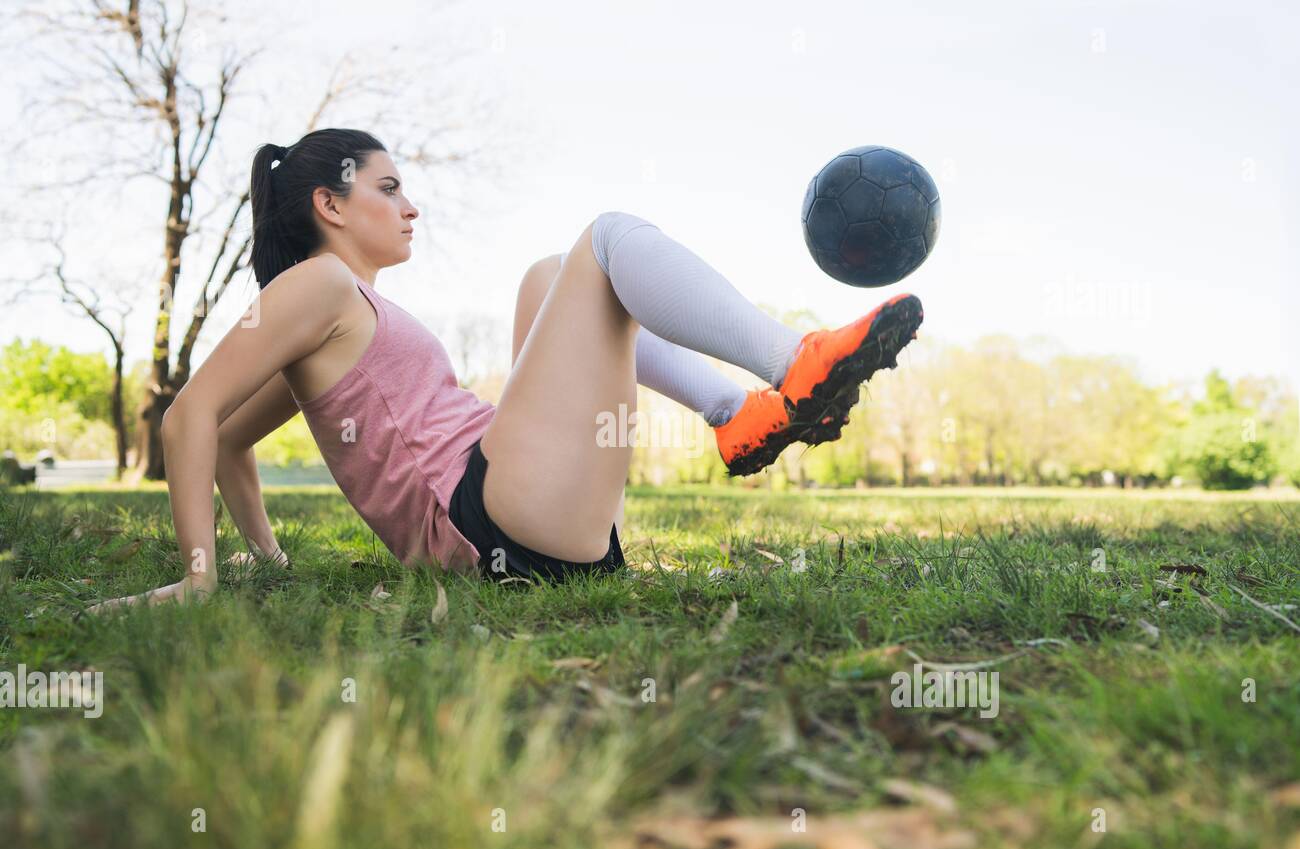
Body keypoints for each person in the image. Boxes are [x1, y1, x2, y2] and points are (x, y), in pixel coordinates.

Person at [89, 127, 920, 610]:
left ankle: (735, 412)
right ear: (331, 205)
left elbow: (231, 441)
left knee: (547, 273)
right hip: (494, 519)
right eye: (389, 186)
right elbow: (191, 417)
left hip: (516, 518)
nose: (410, 204)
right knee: (607, 240)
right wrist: (199, 574)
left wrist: (265, 557)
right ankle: (792, 362)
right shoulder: (319, 283)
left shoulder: (336, 310)